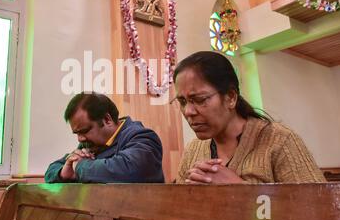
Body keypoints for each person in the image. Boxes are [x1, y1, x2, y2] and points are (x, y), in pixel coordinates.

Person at [172, 51, 326, 184]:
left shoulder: (279, 140)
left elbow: (320, 208)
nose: (188, 111)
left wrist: (240, 189)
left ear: (231, 97)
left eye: (200, 99)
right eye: (182, 101)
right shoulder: (192, 150)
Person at [45, 92, 165, 183]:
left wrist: (80, 167)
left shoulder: (143, 137)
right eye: (77, 133)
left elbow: (129, 169)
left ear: (107, 119)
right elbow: (51, 170)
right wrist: (62, 173)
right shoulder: (89, 143)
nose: (80, 139)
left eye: (84, 131)